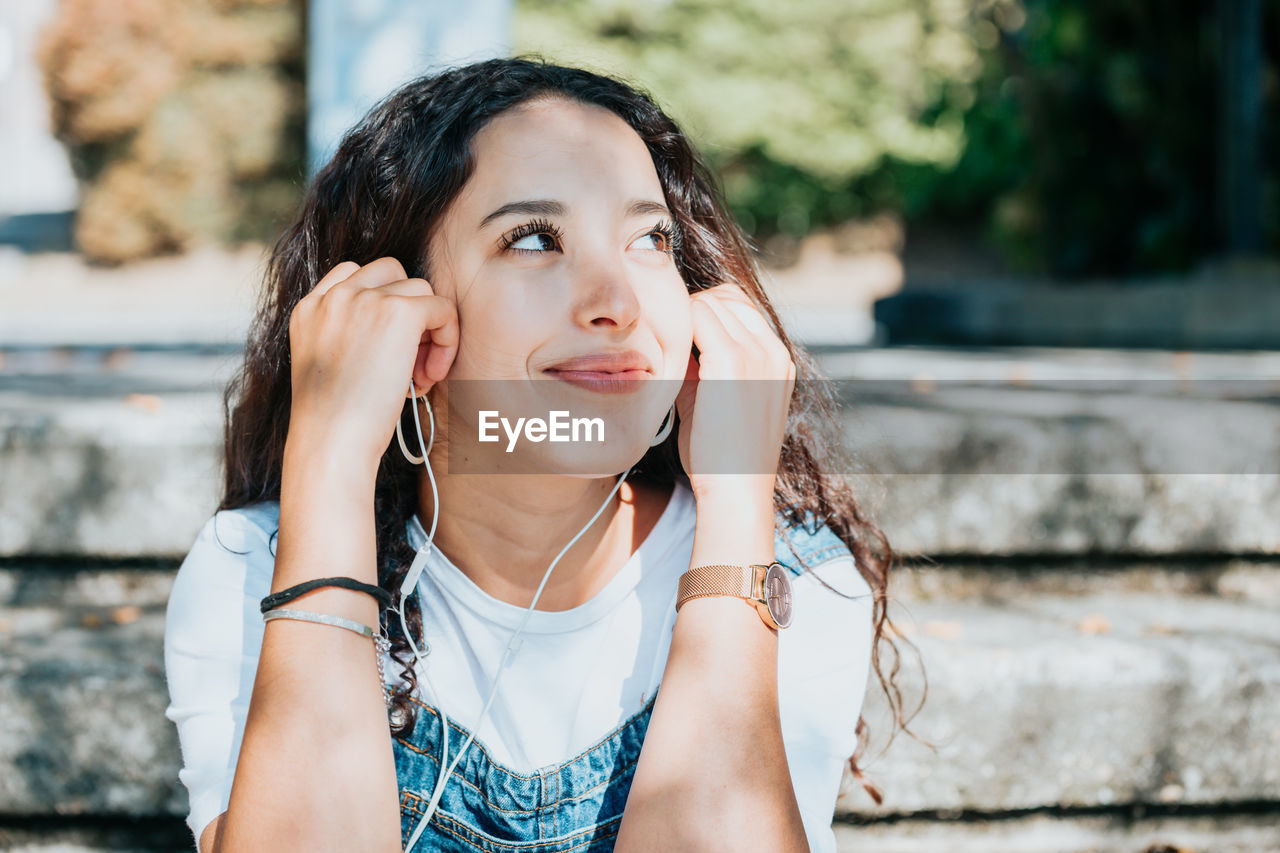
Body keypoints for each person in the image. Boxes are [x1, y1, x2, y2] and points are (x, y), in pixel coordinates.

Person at [163, 56, 909, 853]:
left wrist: (734, 504)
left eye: (650, 238)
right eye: (533, 239)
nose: (617, 304)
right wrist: (333, 457)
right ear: (405, 319)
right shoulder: (255, 566)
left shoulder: (794, 577)